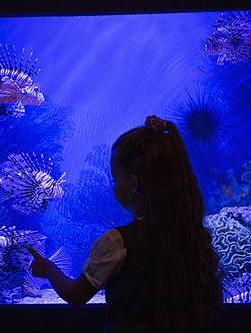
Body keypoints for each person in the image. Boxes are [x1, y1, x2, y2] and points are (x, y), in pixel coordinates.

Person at [28, 115, 223, 332]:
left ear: (134, 183)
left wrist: (47, 268)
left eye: (115, 178)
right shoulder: (194, 237)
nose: (112, 186)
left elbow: (76, 295)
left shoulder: (117, 242)